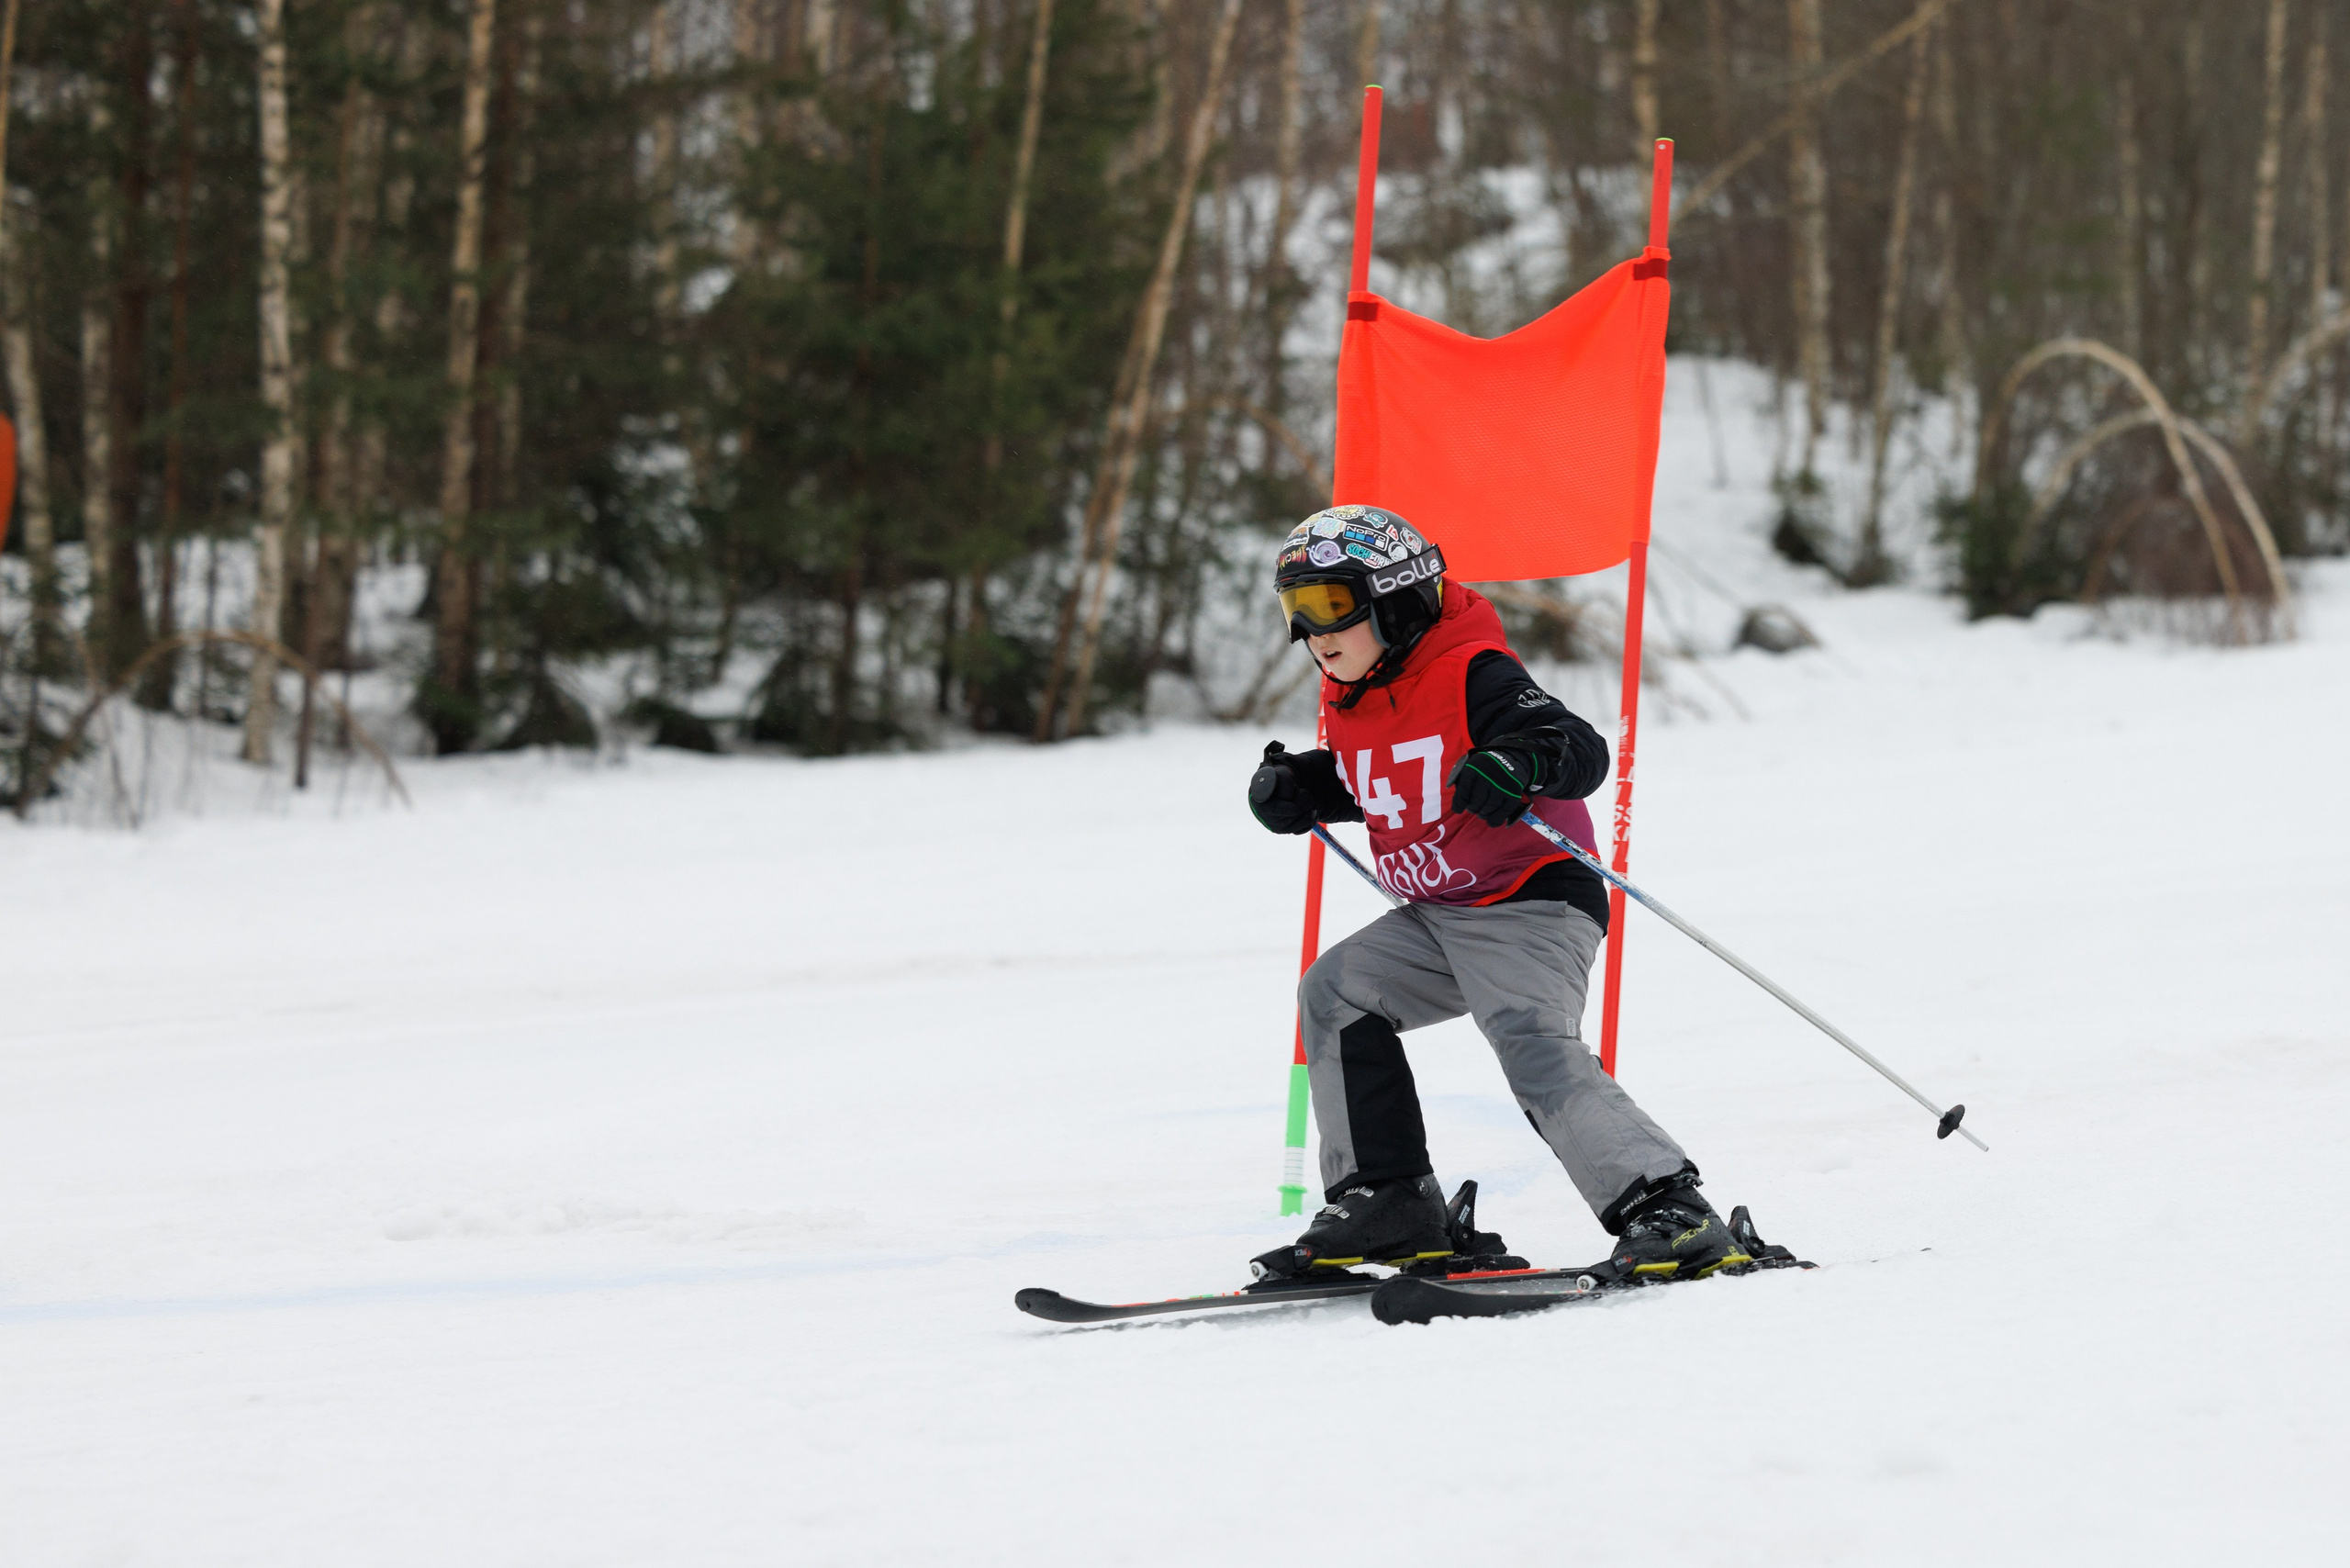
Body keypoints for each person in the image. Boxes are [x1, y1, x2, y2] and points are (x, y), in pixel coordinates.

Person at [1247, 504, 1753, 1280]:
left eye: (1330, 605)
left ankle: (1667, 1209)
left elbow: (1575, 748)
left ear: (1396, 597)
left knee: (1526, 1034)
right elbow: (1382, 780)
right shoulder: (1356, 694)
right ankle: (1389, 1199)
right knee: (1336, 993)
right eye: (1297, 610)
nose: (1313, 632)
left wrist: (1519, 764)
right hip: (1443, 914)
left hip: (1531, 897)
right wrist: (1304, 785)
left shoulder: (1472, 670)